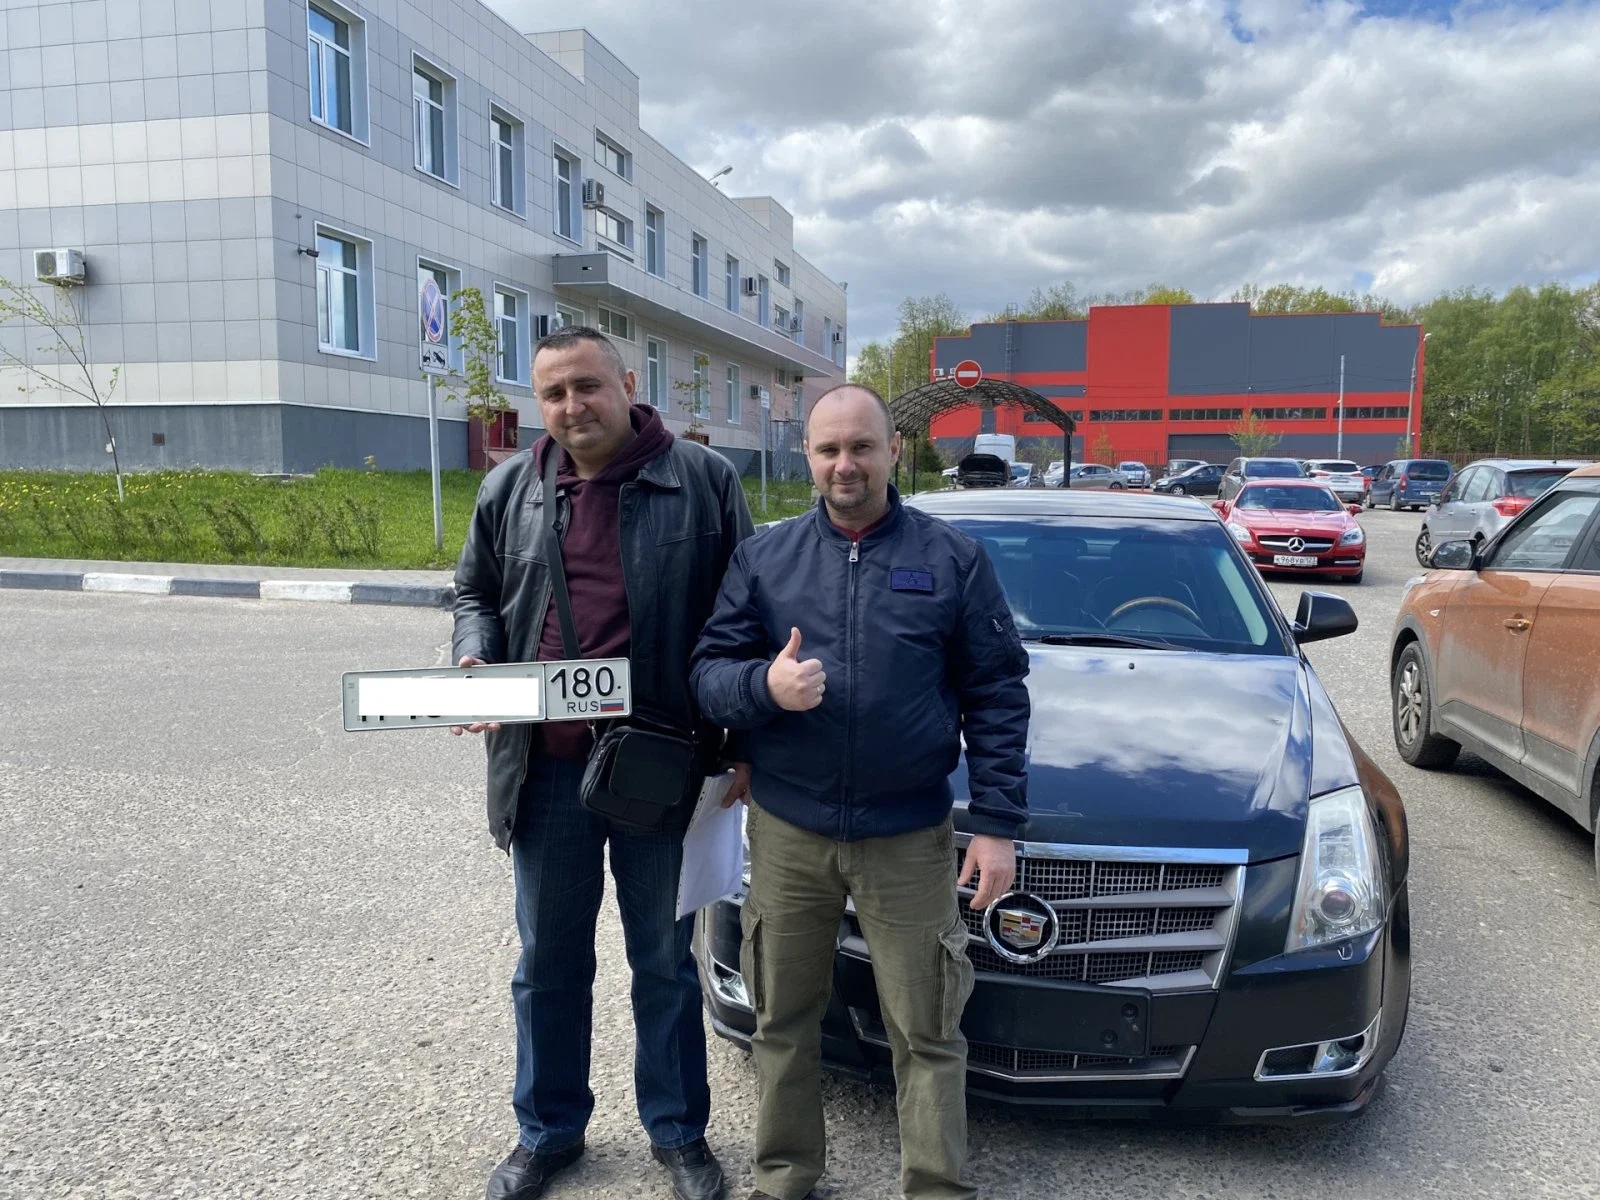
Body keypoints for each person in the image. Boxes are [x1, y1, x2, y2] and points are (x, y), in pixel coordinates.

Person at [689, 384, 1031, 1200]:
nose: (846, 464)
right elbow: (708, 674)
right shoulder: (765, 559)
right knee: (781, 1019)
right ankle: (784, 1177)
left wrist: (996, 823)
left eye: (862, 447)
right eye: (829, 449)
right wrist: (764, 688)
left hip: (907, 837)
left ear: (893, 451)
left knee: (928, 1027)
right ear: (808, 457)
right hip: (789, 834)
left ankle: (936, 1187)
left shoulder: (952, 559)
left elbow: (996, 692)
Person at [452, 326, 754, 1200]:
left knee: (663, 961)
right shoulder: (511, 487)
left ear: (627, 384)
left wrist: (745, 744)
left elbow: (747, 613)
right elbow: (473, 592)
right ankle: (548, 1132)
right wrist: (476, 656)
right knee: (547, 962)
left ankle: (679, 1131)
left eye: (587, 385)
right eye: (553, 393)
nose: (572, 406)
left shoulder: (702, 482)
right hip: (545, 769)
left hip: (662, 768)